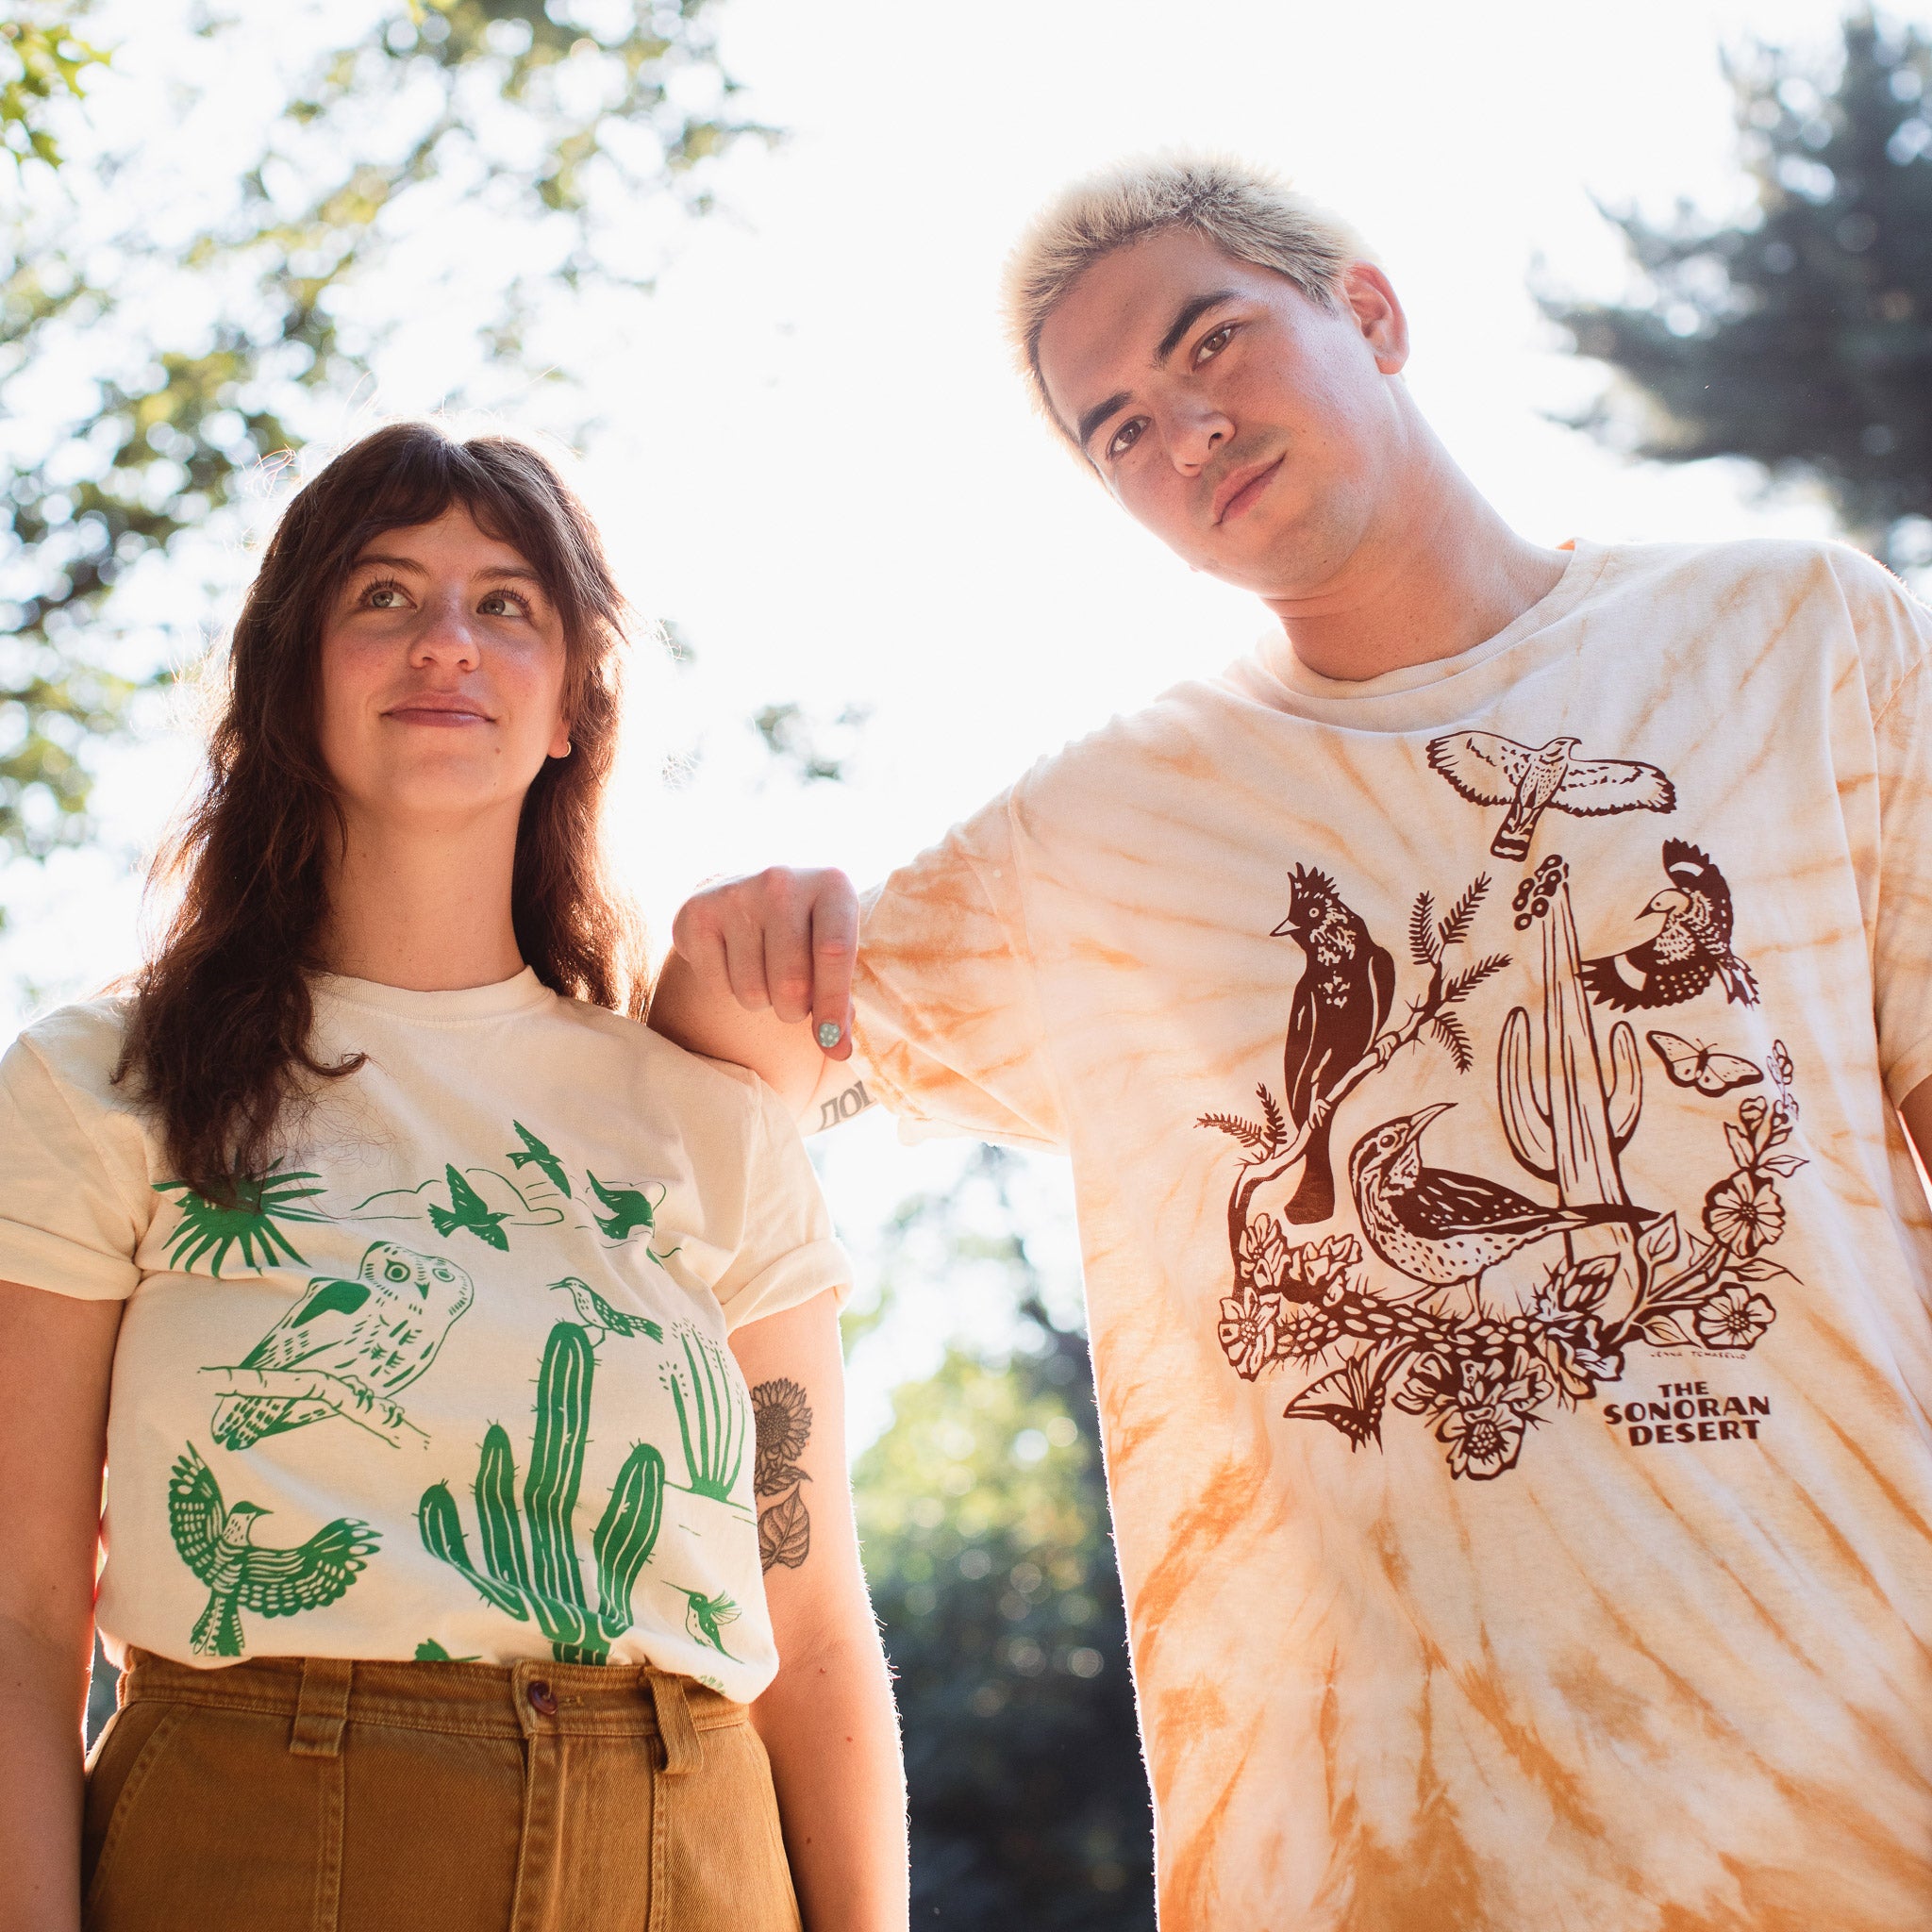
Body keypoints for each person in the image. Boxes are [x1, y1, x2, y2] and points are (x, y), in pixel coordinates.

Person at [650, 154, 1932, 1929]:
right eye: (1117, 431)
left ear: (1375, 316)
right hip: (1382, 1855)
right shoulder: (1102, 840)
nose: (1183, 432)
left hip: (1865, 1789)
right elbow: (734, 1077)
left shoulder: (1792, 642)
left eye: (1216, 345)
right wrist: (731, 946)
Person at [0, 421, 908, 1932]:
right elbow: (23, 1618)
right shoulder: (105, 1083)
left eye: (505, 605)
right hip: (263, 1845)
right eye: (382, 595)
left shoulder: (708, 1121)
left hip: (696, 1852)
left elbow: (811, 1638)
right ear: (291, 681)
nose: (445, 642)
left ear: (572, 705)